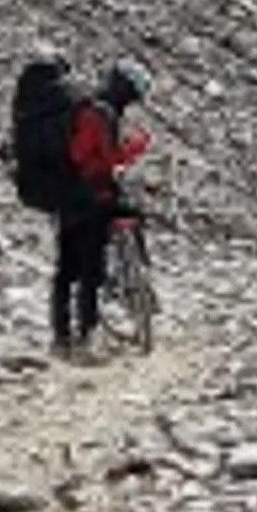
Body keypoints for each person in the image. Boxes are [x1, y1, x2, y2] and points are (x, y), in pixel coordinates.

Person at [52, 65, 150, 352]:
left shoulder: (80, 108)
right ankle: (87, 332)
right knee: (91, 270)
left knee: (67, 269)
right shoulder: (103, 113)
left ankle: (61, 335)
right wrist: (136, 147)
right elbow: (109, 158)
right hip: (94, 196)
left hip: (65, 194)